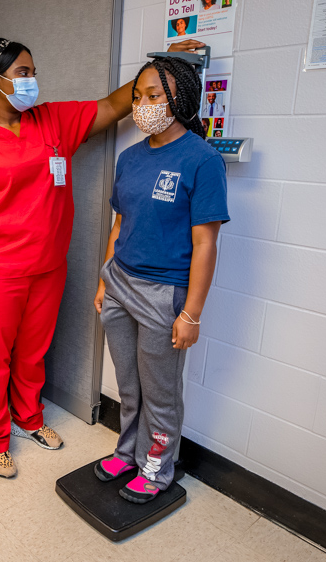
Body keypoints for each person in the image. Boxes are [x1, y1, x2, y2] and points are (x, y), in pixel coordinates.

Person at [0, 37, 205, 478]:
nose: (32, 81)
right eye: (23, 73)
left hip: (48, 267)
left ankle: (28, 419)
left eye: (33, 71)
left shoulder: (54, 121)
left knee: (33, 352)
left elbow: (118, 103)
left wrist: (168, 64)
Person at [93, 56, 229, 503]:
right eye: (138, 96)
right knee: (128, 383)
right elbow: (119, 223)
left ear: (180, 100)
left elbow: (206, 244)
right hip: (119, 283)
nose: (143, 104)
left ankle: (158, 467)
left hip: (162, 294)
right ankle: (129, 452)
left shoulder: (202, 160)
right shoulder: (130, 157)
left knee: (160, 392)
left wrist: (191, 313)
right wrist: (103, 281)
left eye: (154, 96)